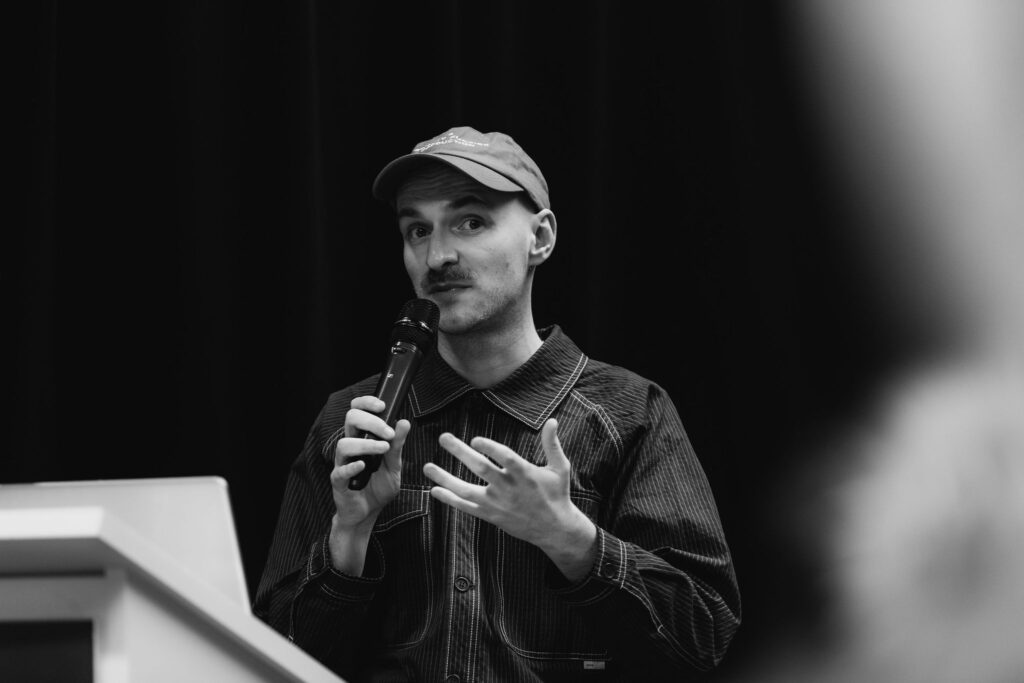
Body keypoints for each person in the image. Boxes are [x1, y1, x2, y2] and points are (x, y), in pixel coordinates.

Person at [254, 126, 741, 681]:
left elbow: (704, 636)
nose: (438, 256)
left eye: (471, 222)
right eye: (418, 230)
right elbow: (270, 656)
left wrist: (572, 541)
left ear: (541, 238)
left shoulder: (631, 412)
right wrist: (349, 536)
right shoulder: (353, 421)